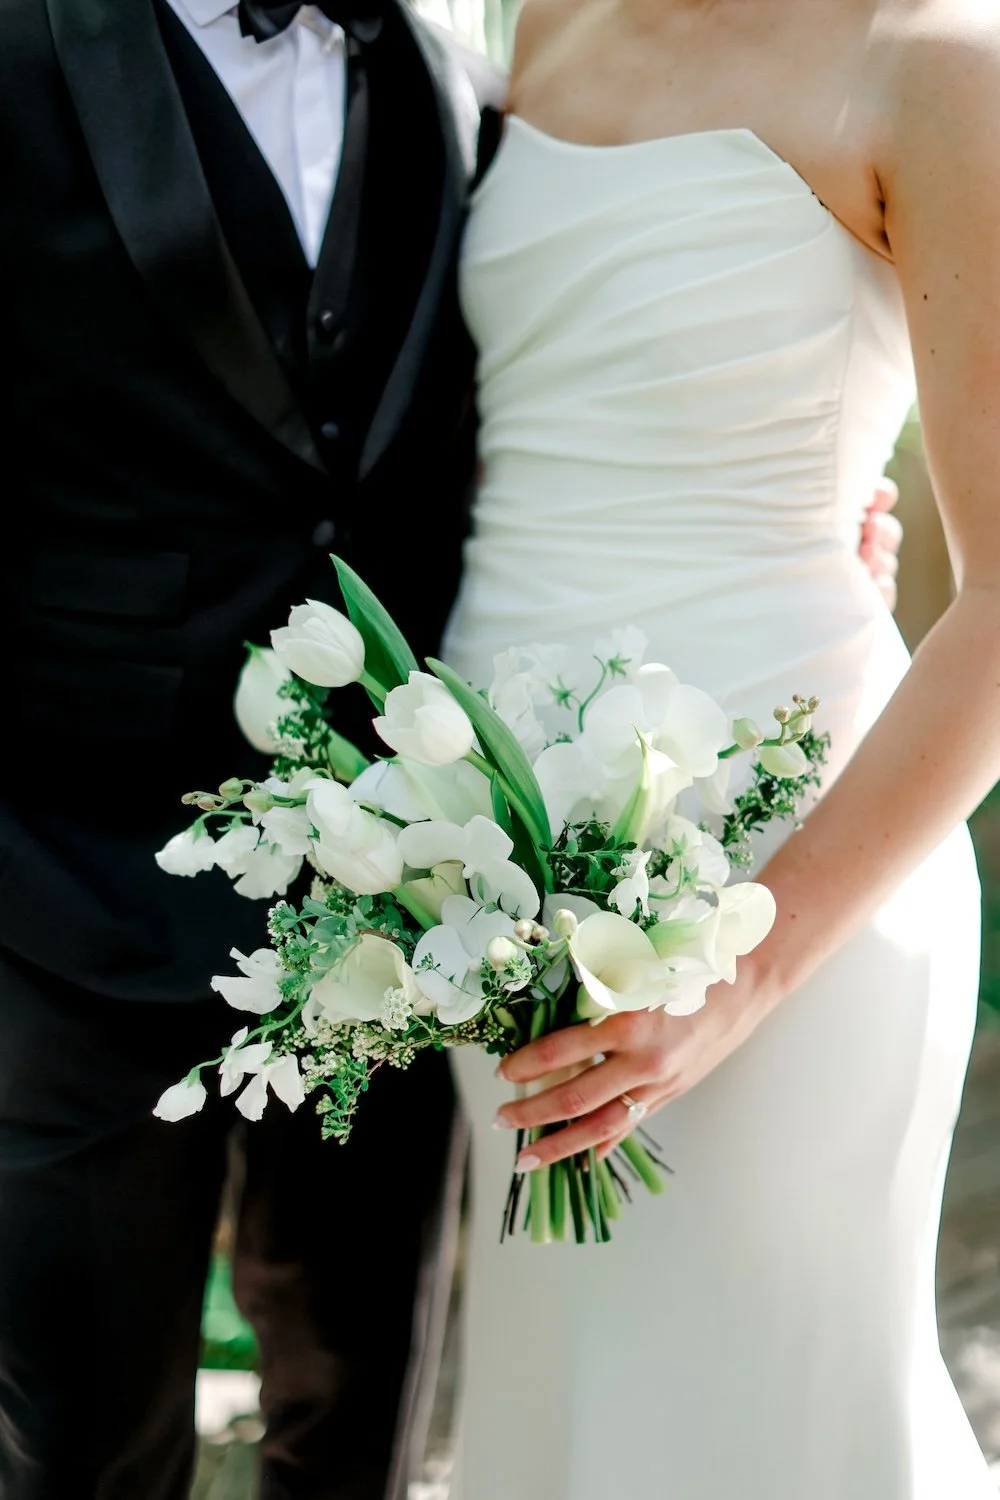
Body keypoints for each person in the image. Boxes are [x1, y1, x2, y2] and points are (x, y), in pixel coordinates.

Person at [441, 1, 1000, 1497]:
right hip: (490, 887)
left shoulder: (940, 64)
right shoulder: (544, 19)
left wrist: (740, 976)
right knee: (569, 1423)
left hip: (781, 886)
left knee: (772, 1429)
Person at [0, 3, 503, 1498]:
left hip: (392, 881)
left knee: (363, 1416)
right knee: (84, 1447)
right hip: (63, 877)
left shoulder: (443, 67)